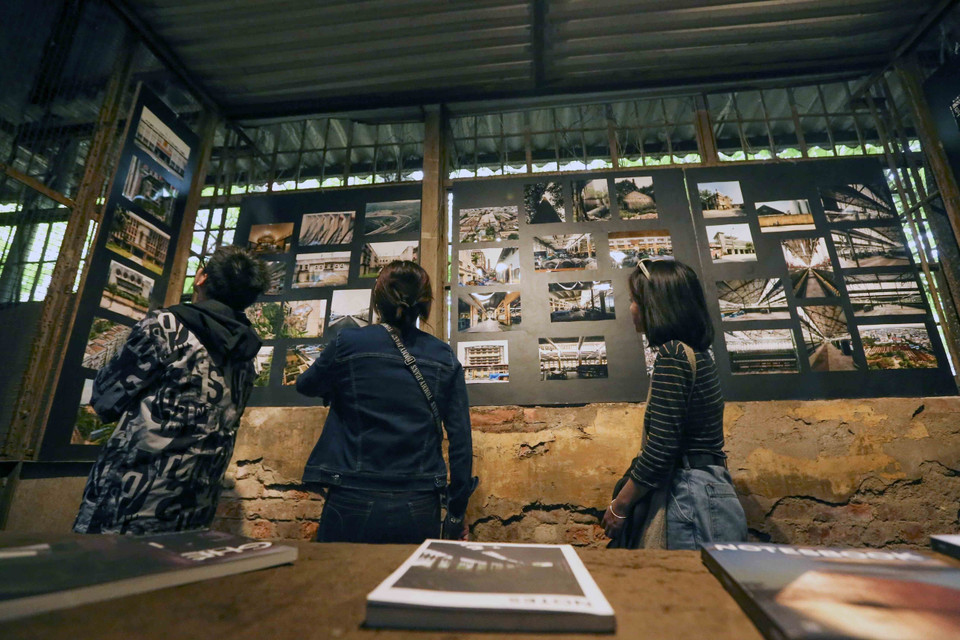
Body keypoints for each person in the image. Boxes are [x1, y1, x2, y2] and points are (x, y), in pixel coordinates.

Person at [73, 246, 269, 534]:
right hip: (196, 504)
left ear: (201, 278)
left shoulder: (165, 326)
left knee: (100, 562)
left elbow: (105, 398)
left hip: (129, 499)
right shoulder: (246, 354)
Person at [296, 260, 474, 544]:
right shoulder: (444, 356)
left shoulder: (348, 342)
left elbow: (305, 385)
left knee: (339, 572)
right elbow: (461, 441)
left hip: (352, 491)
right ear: (425, 304)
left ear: (378, 300)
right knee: (411, 573)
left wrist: (338, 389)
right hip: (419, 499)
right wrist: (455, 514)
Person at [601, 257, 747, 549]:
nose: (631, 308)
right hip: (710, 488)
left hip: (689, 496)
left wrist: (620, 505)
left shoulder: (672, 355)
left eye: (635, 300)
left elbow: (661, 447)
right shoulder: (696, 352)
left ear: (655, 304)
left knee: (683, 577)